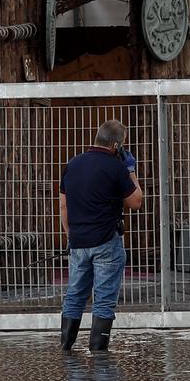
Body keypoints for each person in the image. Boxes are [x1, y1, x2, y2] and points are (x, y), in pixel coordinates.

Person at [57, 120, 144, 352]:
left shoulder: (72, 164)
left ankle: (66, 346)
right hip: (106, 241)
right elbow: (136, 202)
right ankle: (98, 353)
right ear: (116, 145)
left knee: (75, 294)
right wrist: (131, 171)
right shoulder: (115, 167)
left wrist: (70, 236)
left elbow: (63, 206)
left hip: (78, 241)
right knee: (104, 299)